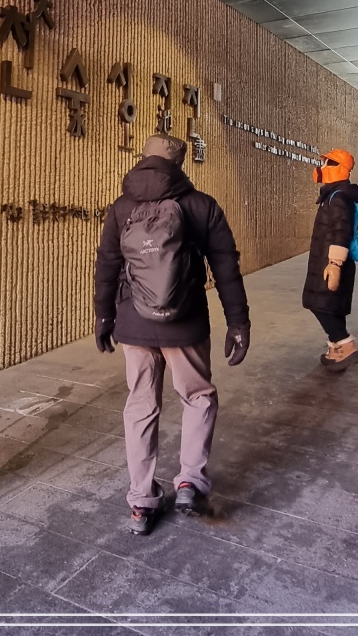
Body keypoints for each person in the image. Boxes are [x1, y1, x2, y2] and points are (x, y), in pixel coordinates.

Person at [94, 135, 251, 536]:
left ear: (144, 160)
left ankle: (141, 501)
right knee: (197, 397)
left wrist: (104, 317)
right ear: (180, 164)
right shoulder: (201, 205)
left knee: (140, 405)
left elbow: (107, 265)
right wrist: (238, 322)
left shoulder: (121, 208)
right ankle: (189, 483)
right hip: (186, 322)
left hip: (134, 323)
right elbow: (226, 267)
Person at [303, 149, 358, 372]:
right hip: (327, 261)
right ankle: (336, 349)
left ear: (340, 169)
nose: (322, 168)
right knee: (330, 306)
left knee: (320, 305)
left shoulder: (339, 197)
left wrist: (335, 264)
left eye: (328, 163)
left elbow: (341, 230)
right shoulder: (334, 195)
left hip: (332, 262)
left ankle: (345, 344)